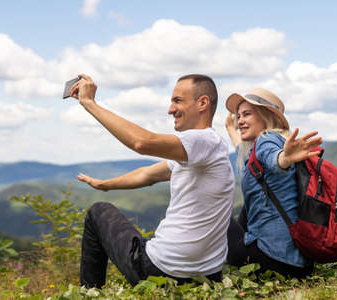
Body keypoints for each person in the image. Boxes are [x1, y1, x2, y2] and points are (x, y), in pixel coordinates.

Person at [69, 74, 235, 288]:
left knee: (97, 212)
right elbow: (147, 175)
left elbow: (142, 142)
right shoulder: (202, 151)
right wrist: (104, 185)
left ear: (202, 103)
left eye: (177, 101)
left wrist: (89, 103)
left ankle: (88, 292)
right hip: (207, 276)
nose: (170, 109)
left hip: (161, 271)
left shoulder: (204, 140)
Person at [224, 88, 322, 278]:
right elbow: (247, 157)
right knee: (248, 206)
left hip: (271, 261)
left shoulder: (266, 140)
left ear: (265, 115)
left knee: (214, 211)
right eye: (238, 116)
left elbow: (275, 160)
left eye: (247, 114)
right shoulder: (270, 142)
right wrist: (230, 129)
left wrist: (284, 158)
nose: (240, 121)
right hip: (298, 265)